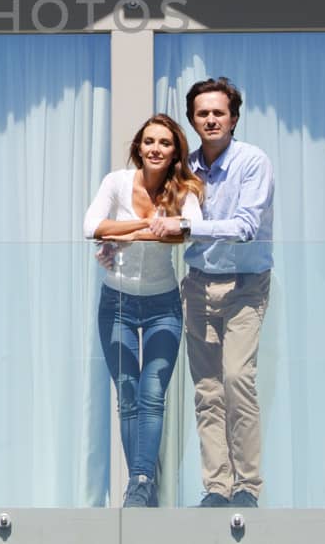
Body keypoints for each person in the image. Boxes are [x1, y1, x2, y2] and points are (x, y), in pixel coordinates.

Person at [148, 77, 274, 509]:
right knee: (207, 390)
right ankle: (218, 487)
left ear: (234, 118)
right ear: (193, 120)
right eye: (202, 113)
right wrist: (114, 240)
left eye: (219, 112)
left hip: (245, 285)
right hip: (199, 284)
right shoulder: (185, 168)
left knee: (238, 378)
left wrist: (187, 227)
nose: (211, 119)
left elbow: (245, 227)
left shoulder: (253, 162)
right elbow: (151, 209)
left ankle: (248, 487)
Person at [82, 114, 205, 508]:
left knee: (152, 392)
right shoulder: (116, 182)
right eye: (149, 141)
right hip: (116, 302)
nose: (155, 148)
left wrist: (120, 233)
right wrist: (141, 230)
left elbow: (190, 229)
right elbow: (90, 226)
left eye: (165, 143)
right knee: (128, 393)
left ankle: (140, 482)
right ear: (138, 147)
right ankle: (142, 485)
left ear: (175, 153)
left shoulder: (184, 189)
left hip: (162, 305)